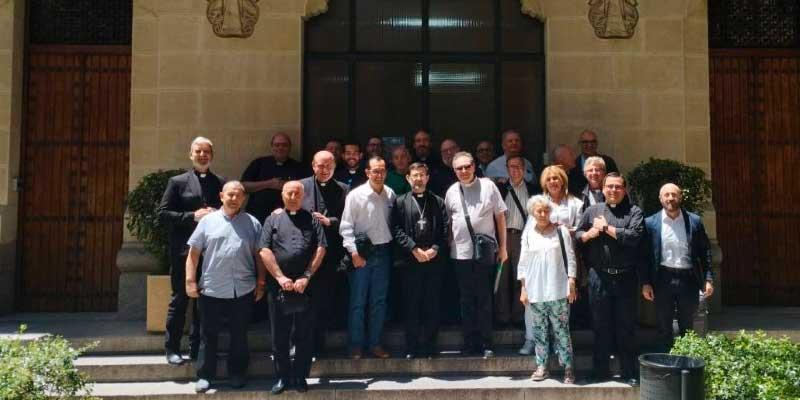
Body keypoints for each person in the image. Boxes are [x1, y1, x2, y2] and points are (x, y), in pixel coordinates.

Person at [185, 181, 264, 393]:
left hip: (243, 289)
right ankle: (204, 375)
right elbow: (193, 254)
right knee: (208, 335)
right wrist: (190, 281)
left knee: (239, 335)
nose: (234, 198)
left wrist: (261, 281)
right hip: (211, 289)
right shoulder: (207, 221)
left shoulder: (252, 223)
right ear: (221, 196)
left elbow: (259, 255)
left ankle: (237, 373)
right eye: (230, 194)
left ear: (244, 198)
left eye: (238, 195)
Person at [157, 136, 225, 366]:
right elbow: (162, 214)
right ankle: (172, 348)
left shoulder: (220, 182)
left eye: (207, 152)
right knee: (180, 300)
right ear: (191, 154)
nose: (203, 155)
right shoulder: (177, 182)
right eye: (198, 151)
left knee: (204, 304)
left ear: (212, 156)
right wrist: (192, 216)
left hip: (211, 254)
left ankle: (198, 350)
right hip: (184, 252)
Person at [575, 173, 645, 385]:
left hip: (626, 278)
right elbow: (577, 235)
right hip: (599, 277)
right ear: (603, 189)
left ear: (625, 190)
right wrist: (589, 235)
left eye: (617, 187)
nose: (613, 191)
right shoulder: (592, 211)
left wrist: (606, 228)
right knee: (600, 325)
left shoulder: (634, 212)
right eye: (609, 187)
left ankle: (629, 371)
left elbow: (633, 237)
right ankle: (600, 371)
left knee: (626, 327)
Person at [259, 181, 327, 394]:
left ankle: (300, 376)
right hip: (279, 287)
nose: (293, 196)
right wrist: (280, 277)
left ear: (303, 195)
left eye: (297, 193)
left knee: (304, 334)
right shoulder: (273, 219)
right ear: (282, 194)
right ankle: (282, 376)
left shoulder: (312, 219)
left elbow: (321, 248)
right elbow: (264, 250)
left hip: (306, 287)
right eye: (289, 192)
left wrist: (306, 276)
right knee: (280, 334)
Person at [445, 151, 508, 358]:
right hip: (459, 254)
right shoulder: (452, 191)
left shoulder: (489, 186)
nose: (463, 171)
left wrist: (503, 247)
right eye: (459, 168)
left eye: (467, 166)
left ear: (474, 166)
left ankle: (486, 342)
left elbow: (500, 218)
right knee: (466, 300)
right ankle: (469, 342)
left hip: (485, 253)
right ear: (454, 171)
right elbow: (449, 222)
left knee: (483, 299)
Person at [642, 183, 714, 353]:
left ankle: (687, 362)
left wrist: (708, 279)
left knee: (688, 325)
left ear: (680, 197)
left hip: (688, 279)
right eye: (666, 195)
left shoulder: (694, 221)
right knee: (663, 325)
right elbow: (643, 257)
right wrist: (645, 282)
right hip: (662, 279)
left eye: (674, 195)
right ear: (660, 199)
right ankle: (665, 363)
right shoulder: (650, 223)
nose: (670, 198)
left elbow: (705, 252)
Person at [340, 156, 396, 359]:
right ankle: (356, 345)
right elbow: (346, 226)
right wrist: (354, 253)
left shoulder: (390, 194)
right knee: (358, 301)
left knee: (379, 301)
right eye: (375, 171)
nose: (379, 174)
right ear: (367, 172)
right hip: (362, 254)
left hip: (384, 252)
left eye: (382, 170)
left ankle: (375, 343)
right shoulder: (355, 195)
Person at [392, 162, 449, 359]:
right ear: (408, 178)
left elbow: (445, 230)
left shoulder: (438, 202)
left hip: (434, 261)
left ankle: (430, 345)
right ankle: (412, 346)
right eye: (414, 175)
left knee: (432, 303)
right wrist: (413, 248)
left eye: (422, 175)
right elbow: (396, 230)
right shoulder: (400, 202)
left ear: (427, 178)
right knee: (412, 304)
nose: (418, 179)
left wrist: (435, 249)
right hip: (409, 261)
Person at [518, 195, 577, 384]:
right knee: (539, 331)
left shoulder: (561, 232)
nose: (543, 214)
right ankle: (542, 366)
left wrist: (572, 283)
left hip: (558, 288)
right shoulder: (528, 235)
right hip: (536, 290)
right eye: (539, 211)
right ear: (532, 213)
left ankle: (568, 367)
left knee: (561, 330)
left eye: (546, 210)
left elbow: (571, 258)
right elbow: (523, 263)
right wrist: (523, 289)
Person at [298, 151, 349, 357]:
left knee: (322, 303)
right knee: (300, 303)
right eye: (320, 165)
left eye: (329, 165)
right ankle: (299, 343)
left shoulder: (344, 189)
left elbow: (349, 220)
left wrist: (331, 222)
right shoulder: (300, 186)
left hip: (330, 256)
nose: (324, 169)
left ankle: (318, 345)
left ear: (335, 167)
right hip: (304, 255)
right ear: (313, 165)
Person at [494, 156, 539, 336]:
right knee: (502, 279)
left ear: (524, 169)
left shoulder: (533, 190)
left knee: (522, 279)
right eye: (512, 167)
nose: (515, 170)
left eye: (519, 167)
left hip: (524, 238)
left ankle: (519, 317)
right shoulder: (499, 188)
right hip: (504, 238)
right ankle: (502, 318)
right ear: (506, 168)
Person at [241, 132, 306, 223]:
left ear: (290, 147)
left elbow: (306, 191)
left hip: (287, 220)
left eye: (284, 145)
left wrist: (288, 187)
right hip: (257, 217)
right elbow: (243, 187)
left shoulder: (298, 167)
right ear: (272, 147)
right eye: (277, 145)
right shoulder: (259, 163)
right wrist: (269, 183)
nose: (280, 148)